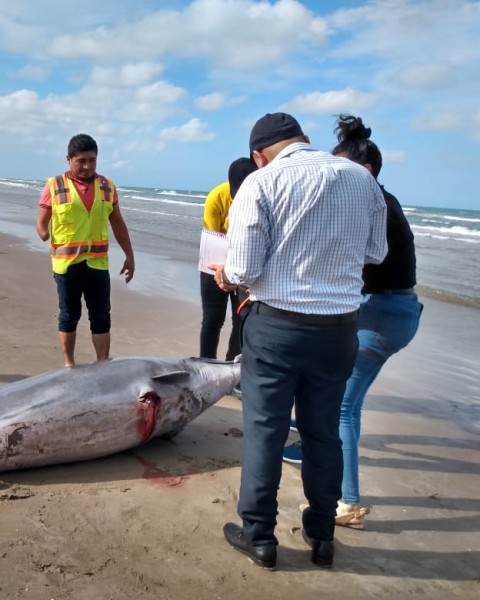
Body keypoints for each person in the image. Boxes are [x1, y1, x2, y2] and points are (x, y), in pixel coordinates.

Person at [211, 113, 387, 570]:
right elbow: (376, 253)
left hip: (278, 327)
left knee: (266, 431)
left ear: (258, 154)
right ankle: (322, 531)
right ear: (305, 140)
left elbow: (245, 269)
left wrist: (224, 275)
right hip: (339, 328)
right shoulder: (361, 179)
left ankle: (260, 536)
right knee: (322, 433)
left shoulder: (260, 182)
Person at [283, 115, 422, 530]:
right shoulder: (378, 199)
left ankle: (349, 503)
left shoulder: (375, 205)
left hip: (383, 314)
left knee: (344, 403)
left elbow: (347, 258)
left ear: (363, 172)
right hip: (385, 308)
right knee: (326, 382)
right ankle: (312, 447)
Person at [36, 133, 135, 367]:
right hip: (67, 264)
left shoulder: (107, 187)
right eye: (81, 161)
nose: (87, 166)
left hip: (97, 264)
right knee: (69, 315)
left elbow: (118, 222)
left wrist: (129, 255)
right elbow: (41, 219)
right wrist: (42, 231)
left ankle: (102, 364)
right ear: (69, 159)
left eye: (92, 160)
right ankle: (69, 364)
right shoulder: (54, 186)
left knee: (101, 315)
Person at [199, 157, 257, 360]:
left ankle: (233, 366)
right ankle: (206, 364)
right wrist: (224, 274)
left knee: (241, 319)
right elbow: (213, 241)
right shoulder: (217, 197)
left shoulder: (258, 199)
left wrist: (235, 274)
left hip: (243, 266)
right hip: (213, 264)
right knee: (212, 319)